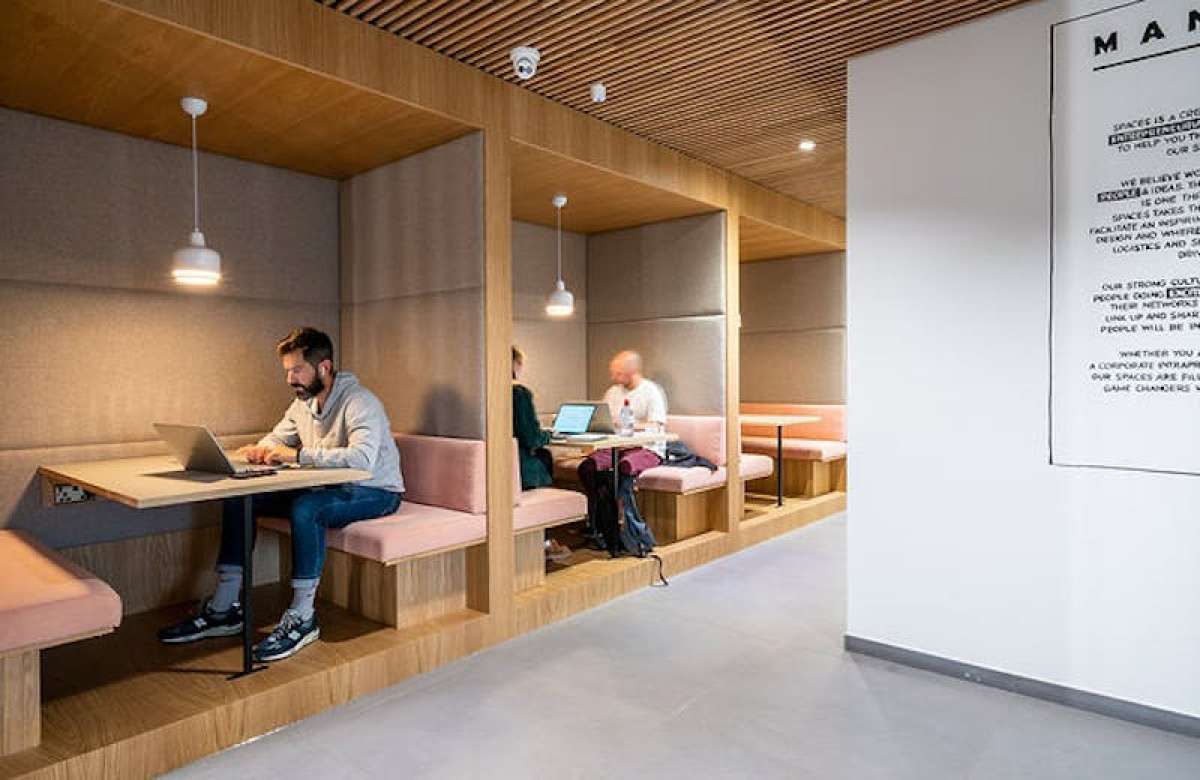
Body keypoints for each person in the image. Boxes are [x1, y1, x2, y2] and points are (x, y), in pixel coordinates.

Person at [158, 327, 405, 662]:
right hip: (329, 487)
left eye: (297, 370)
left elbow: (362, 459)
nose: (290, 379)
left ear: (324, 367)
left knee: (307, 508)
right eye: (287, 371)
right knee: (240, 498)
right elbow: (277, 439)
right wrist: (261, 450)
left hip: (375, 491)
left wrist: (298, 456)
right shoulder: (302, 404)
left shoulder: (360, 402)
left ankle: (303, 616)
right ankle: (225, 608)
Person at [577, 350, 668, 545]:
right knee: (587, 468)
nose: (613, 378)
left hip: (646, 448)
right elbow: (603, 419)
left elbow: (656, 425)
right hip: (614, 446)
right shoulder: (613, 392)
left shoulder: (651, 392)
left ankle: (629, 531)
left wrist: (629, 425)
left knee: (623, 469)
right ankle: (599, 524)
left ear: (632, 371)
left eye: (618, 373)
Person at [511, 346, 571, 563]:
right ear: (514, 364)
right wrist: (548, 435)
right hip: (516, 466)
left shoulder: (480, 390)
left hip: (492, 464)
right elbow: (531, 437)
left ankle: (545, 540)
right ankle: (544, 542)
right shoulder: (518, 393)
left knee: (544, 456)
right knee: (544, 458)